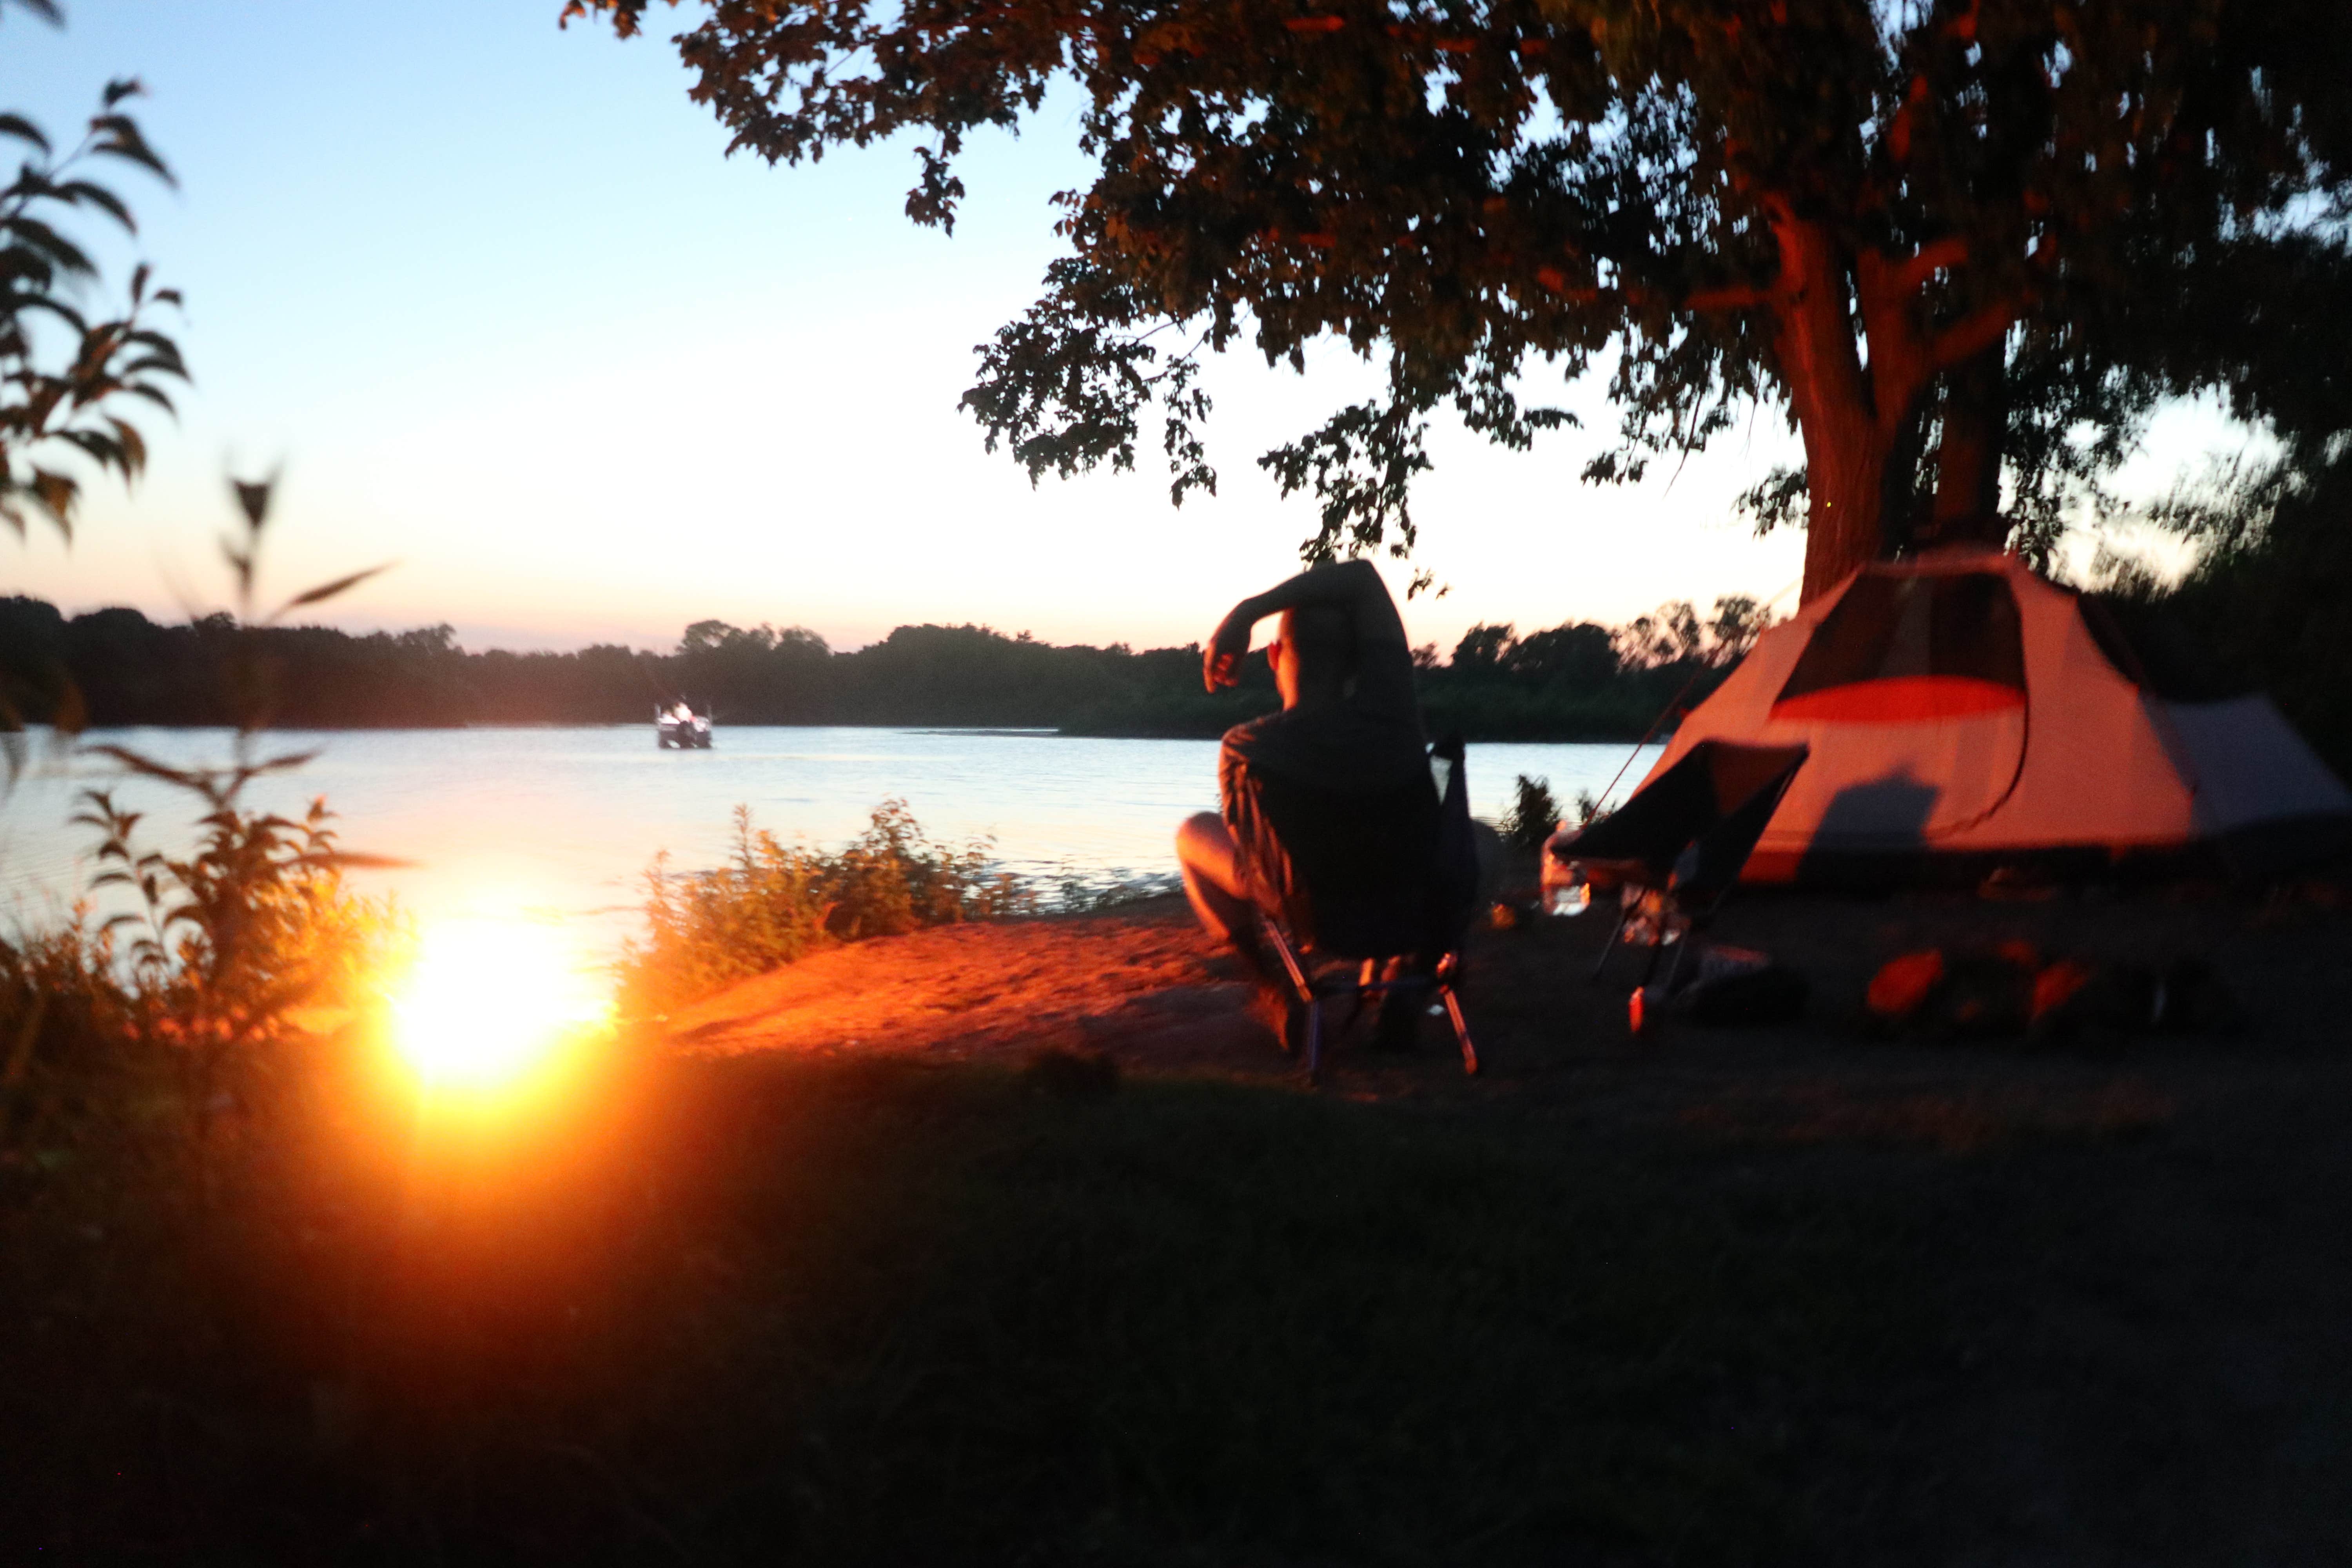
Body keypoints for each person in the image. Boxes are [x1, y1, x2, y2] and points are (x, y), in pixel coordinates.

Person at [1176, 558, 1457, 1045]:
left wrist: (1241, 612)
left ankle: (1275, 986)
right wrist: (1249, 612)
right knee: (1482, 843)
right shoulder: (1395, 720)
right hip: (1410, 909)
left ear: (1273, 654)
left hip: (1313, 917)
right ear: (1355, 661)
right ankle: (1405, 988)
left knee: (1192, 835)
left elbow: (1251, 854)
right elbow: (1363, 576)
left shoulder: (1245, 748)